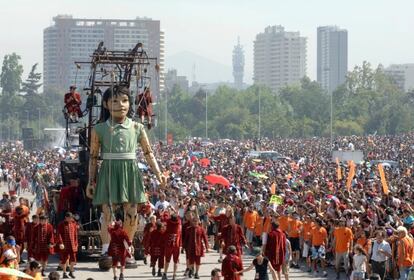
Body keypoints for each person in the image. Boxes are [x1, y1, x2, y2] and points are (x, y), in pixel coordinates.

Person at [86, 86, 166, 255]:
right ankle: (107, 249)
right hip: (108, 170)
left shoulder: (137, 127)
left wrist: (158, 173)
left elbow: (148, 152)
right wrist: (90, 181)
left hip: (130, 170)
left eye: (124, 100)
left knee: (132, 213)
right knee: (108, 212)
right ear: (106, 104)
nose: (120, 105)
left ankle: (125, 245)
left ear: (130, 103)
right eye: (114, 101)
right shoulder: (99, 129)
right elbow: (93, 157)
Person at [56, 212, 79, 279]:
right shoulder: (61, 224)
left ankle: (71, 272)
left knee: (73, 260)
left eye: (71, 218)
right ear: (65, 217)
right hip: (65, 245)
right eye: (68, 218)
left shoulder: (73, 224)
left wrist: (76, 243)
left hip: (72, 245)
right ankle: (64, 273)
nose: (70, 219)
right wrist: (61, 243)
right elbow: (59, 234)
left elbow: (75, 235)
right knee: (64, 260)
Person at [163, 210, 181, 280]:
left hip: (168, 244)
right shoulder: (178, 224)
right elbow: (179, 218)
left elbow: (165, 218)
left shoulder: (169, 223)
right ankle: (174, 275)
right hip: (176, 245)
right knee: (175, 261)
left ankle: (165, 273)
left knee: (167, 260)